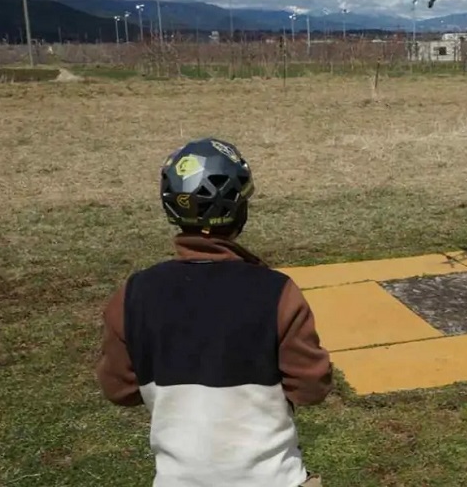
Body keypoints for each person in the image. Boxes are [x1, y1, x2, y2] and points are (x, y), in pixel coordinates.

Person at [95, 137, 333, 487]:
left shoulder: (134, 295)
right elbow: (312, 387)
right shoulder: (277, 292)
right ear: (240, 211)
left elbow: (118, 389)